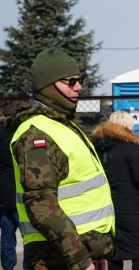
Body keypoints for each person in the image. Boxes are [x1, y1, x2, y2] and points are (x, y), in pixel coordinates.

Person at [6, 48, 115, 270]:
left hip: (77, 256)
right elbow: (42, 206)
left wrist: (94, 254)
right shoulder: (36, 134)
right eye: (71, 81)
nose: (79, 87)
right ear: (48, 85)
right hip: (58, 259)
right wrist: (81, 261)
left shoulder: (62, 125)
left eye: (80, 80)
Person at [92, 111, 139, 270]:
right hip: (131, 206)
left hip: (107, 204)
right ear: (128, 126)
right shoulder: (129, 146)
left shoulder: (98, 147)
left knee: (114, 253)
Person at [0, 102, 27, 270]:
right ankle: (27, 267)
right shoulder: (22, 133)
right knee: (29, 237)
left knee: (6, 237)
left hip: (3, 194)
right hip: (21, 193)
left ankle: (8, 267)